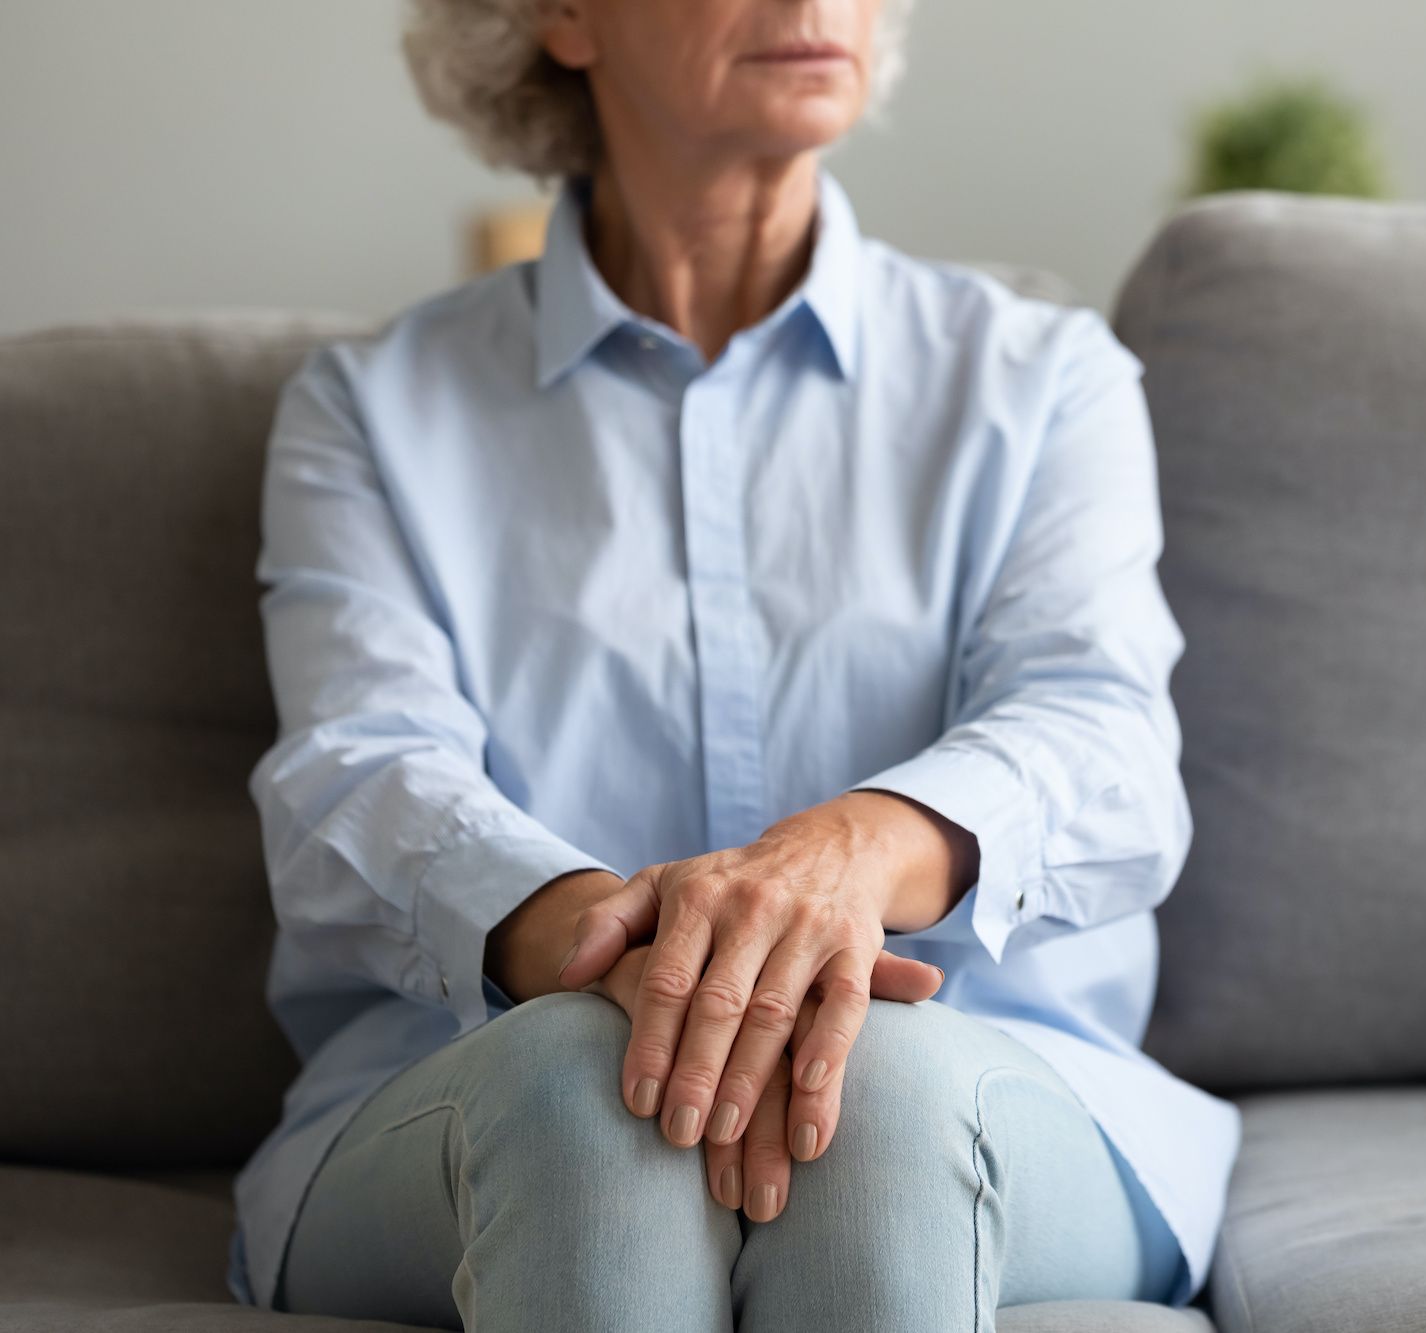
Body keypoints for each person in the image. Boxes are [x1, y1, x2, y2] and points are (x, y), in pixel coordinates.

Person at [226, 0, 1241, 1328]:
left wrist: (848, 859)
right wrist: (609, 952)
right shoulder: (369, 412)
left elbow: (1101, 739)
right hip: (479, 1078)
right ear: (563, 17)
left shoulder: (1047, 380)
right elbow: (357, 773)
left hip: (994, 1068)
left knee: (868, 1087)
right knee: (586, 1091)